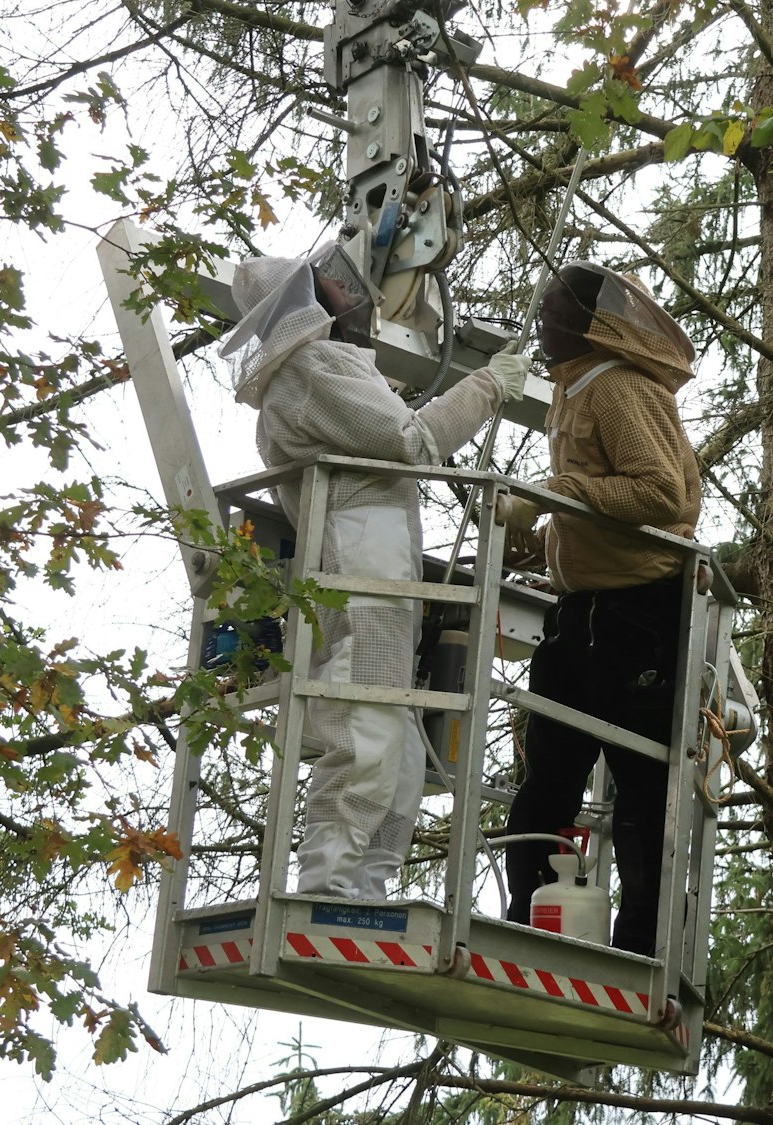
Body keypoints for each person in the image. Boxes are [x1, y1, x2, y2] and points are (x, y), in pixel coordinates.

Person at [223, 251, 531, 899]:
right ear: (303, 299)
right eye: (328, 280)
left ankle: (366, 884)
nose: (346, 285)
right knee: (365, 727)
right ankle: (328, 884)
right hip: (359, 566)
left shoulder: (322, 369)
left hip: (376, 567)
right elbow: (412, 442)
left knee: (403, 752)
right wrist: (487, 385)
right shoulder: (309, 369)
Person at [499, 260, 700, 955]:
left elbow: (660, 496)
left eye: (553, 311)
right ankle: (526, 922)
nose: (540, 322)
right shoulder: (575, 389)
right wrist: (544, 540)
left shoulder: (617, 387)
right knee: (546, 775)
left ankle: (639, 947)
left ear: (590, 324)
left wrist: (563, 491)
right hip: (580, 614)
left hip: (637, 615)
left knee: (642, 790)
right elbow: (600, 500)